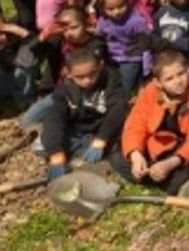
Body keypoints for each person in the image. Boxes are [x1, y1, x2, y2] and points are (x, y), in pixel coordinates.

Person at [119, 49, 189, 196]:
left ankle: (170, 179)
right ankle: (167, 177)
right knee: (118, 157)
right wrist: (135, 154)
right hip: (162, 141)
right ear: (159, 83)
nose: (178, 81)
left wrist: (171, 162)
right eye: (169, 79)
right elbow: (136, 123)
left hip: (188, 142)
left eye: (181, 74)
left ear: (188, 70)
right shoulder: (150, 91)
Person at [40, 46, 128, 182]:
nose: (87, 80)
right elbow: (54, 119)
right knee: (42, 144)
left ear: (100, 66)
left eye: (92, 74)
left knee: (124, 130)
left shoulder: (111, 79)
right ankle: (83, 152)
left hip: (104, 128)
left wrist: (102, 139)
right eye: (80, 77)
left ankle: (96, 153)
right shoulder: (63, 91)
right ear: (68, 73)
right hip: (78, 130)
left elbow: (118, 109)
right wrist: (55, 152)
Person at [95, 0, 153, 97]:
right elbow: (98, 40)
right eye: (110, 9)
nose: (116, 11)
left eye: (120, 6)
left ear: (128, 2)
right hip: (111, 58)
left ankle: (123, 104)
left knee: (124, 87)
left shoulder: (136, 22)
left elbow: (146, 45)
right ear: (102, 8)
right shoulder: (103, 22)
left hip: (131, 59)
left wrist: (147, 67)